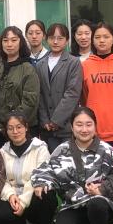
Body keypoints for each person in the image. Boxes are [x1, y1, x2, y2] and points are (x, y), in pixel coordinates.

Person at [30, 106, 113, 224]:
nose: (84, 129)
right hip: (74, 204)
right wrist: (42, 182)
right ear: (72, 127)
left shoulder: (107, 150)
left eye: (89, 124)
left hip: (101, 204)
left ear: (95, 127)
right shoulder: (62, 150)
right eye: (79, 125)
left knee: (97, 203)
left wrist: (102, 188)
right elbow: (46, 169)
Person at [0, 112, 56, 224]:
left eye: (19, 127)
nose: (15, 132)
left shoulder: (40, 148)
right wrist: (10, 195)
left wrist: (23, 202)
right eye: (10, 128)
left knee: (45, 190)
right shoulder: (2, 151)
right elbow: (1, 179)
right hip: (14, 197)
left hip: (33, 195)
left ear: (26, 127)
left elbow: (40, 175)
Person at [0, 26, 40, 146]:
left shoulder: (28, 68)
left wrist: (11, 125)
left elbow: (30, 102)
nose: (9, 44)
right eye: (5, 40)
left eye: (14, 40)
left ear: (21, 43)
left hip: (20, 131)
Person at [80, 22, 113, 146]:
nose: (101, 40)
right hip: (93, 130)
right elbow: (84, 96)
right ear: (92, 40)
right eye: (97, 37)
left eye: (106, 37)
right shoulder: (85, 65)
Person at [37, 23, 83, 153]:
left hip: (66, 127)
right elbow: (39, 94)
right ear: (46, 39)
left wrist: (56, 120)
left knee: (68, 160)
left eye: (60, 38)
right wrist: (45, 120)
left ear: (67, 40)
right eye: (52, 38)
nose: (55, 42)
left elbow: (72, 93)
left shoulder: (73, 62)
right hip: (46, 129)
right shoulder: (40, 64)